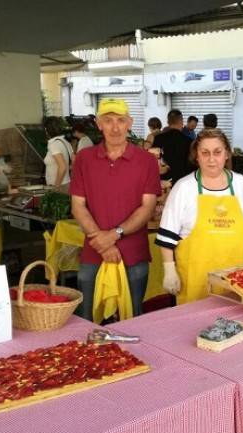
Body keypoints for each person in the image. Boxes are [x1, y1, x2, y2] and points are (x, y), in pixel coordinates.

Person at [70, 98, 161, 319]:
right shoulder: (84, 159)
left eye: (120, 120)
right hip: (93, 253)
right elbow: (77, 207)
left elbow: (147, 207)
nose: (115, 127)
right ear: (99, 124)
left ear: (129, 122)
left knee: (131, 320)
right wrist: (101, 243)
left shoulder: (146, 161)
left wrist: (113, 235)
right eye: (108, 120)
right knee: (87, 321)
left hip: (133, 255)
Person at [156, 128, 243, 304]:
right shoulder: (184, 187)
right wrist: (169, 270)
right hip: (195, 283)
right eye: (205, 152)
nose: (211, 159)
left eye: (217, 152)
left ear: (226, 154)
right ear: (197, 156)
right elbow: (166, 236)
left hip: (233, 283)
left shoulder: (241, 184)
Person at [153, 109, 194, 183]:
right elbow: (191, 165)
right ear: (181, 122)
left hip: (163, 182)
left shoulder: (158, 139)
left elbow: (153, 161)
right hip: (182, 181)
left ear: (168, 122)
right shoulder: (188, 141)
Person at [43, 116, 75, 186]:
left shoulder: (53, 144)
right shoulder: (66, 142)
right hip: (67, 183)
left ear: (47, 130)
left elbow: (62, 167)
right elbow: (74, 162)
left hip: (58, 186)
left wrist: (56, 186)